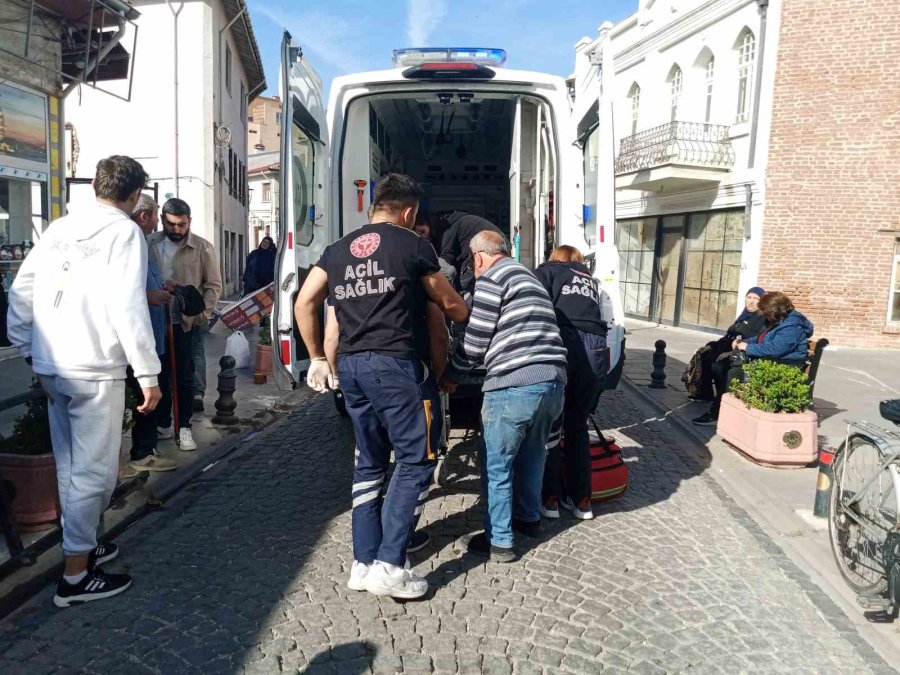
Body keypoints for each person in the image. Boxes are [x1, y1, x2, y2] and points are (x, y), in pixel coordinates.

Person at [294, 173, 467, 599]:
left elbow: (303, 302)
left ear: (374, 205)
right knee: (414, 462)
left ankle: (363, 562)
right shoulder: (413, 245)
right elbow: (449, 305)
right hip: (397, 367)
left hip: (351, 368)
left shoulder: (336, 250)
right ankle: (390, 564)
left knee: (369, 464)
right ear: (408, 211)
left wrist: (317, 356)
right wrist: (464, 312)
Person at [7, 155, 161, 607]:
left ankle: (83, 544)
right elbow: (128, 305)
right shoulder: (124, 232)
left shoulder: (58, 228)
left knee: (72, 466)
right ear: (134, 197)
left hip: (54, 365)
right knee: (95, 473)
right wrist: (147, 372)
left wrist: (28, 347)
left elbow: (22, 289)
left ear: (96, 185)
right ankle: (75, 577)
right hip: (94, 367)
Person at [441, 230, 567, 562]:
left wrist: (451, 374)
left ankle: (500, 542)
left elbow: (478, 339)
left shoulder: (492, 278)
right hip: (553, 380)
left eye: (471, 261)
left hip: (515, 382)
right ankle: (529, 518)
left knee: (496, 461)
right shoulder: (528, 276)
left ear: (478, 257)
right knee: (534, 453)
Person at [533, 245, 609, 521]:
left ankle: (550, 498)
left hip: (566, 342)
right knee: (578, 425)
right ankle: (582, 500)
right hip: (596, 346)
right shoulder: (590, 280)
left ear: (555, 258)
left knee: (552, 424)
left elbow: (535, 305)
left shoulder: (548, 272)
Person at [147, 198, 222, 449]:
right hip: (154, 320)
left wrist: (200, 316)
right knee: (160, 374)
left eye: (181, 224)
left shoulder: (202, 248)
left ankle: (185, 427)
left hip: (185, 323)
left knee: (184, 377)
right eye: (171, 224)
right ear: (162, 221)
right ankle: (164, 422)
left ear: (189, 222)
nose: (176, 230)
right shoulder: (148, 244)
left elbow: (213, 286)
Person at [693, 291, 813, 426]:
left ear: (773, 309)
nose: (762, 313)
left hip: (785, 364)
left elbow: (776, 349)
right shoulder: (780, 319)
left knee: (733, 373)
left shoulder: (791, 326)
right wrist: (744, 342)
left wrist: (747, 348)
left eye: (764, 310)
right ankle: (726, 409)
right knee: (721, 366)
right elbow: (762, 338)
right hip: (772, 360)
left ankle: (717, 414)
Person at [125, 194, 178, 474]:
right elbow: (122, 292)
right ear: (144, 215)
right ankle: (142, 452)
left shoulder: (141, 241)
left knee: (155, 392)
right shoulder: (130, 240)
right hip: (140, 337)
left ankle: (148, 447)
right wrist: (150, 296)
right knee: (144, 397)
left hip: (153, 333)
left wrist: (164, 285)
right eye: (156, 214)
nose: (158, 220)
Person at [687, 287, 766, 402]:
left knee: (718, 367)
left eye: (755, 298)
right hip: (725, 348)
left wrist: (731, 352)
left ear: (762, 301)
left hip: (740, 354)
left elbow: (755, 340)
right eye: (749, 297)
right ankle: (705, 394)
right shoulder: (744, 315)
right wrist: (711, 345)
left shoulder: (761, 318)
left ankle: (722, 400)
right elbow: (728, 337)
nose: (751, 301)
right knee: (705, 356)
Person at [438, 211, 503, 296]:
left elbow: (446, 259)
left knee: (462, 288)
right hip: (498, 246)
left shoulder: (449, 227)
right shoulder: (461, 221)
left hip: (488, 248)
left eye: (423, 231)